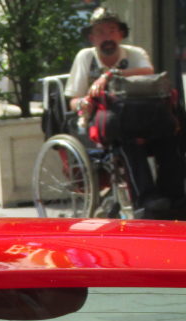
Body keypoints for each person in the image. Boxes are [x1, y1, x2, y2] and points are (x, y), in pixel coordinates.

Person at [65, 7, 181, 216]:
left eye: (111, 30)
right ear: (92, 38)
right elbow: (72, 100)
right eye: (100, 32)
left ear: (121, 34)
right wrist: (84, 102)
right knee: (127, 141)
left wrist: (110, 75)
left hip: (142, 117)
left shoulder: (135, 54)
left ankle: (175, 199)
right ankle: (146, 200)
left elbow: (149, 74)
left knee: (169, 140)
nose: (106, 37)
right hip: (104, 123)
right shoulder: (86, 58)